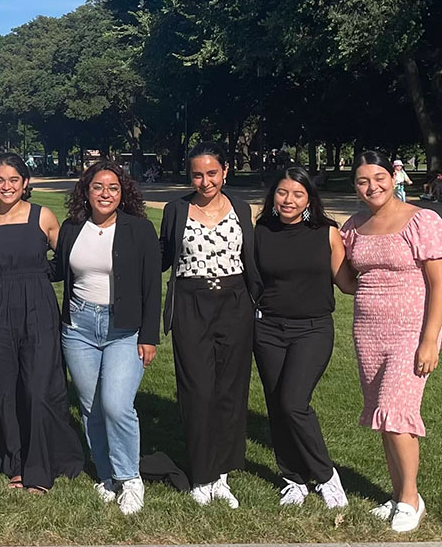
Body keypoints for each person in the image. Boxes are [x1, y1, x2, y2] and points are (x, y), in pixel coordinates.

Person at [341, 151, 442, 532]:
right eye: (363, 180)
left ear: (393, 177)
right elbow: (350, 282)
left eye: (379, 177)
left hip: (412, 330)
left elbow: (438, 283)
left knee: (396, 411)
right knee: (385, 419)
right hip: (369, 332)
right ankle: (399, 494)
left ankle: (410, 500)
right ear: (356, 186)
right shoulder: (354, 226)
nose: (373, 186)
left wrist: (430, 339)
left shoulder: (423, 220)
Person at [53, 160, 160, 515]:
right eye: (98, 187)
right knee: (91, 407)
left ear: (122, 192)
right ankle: (106, 475)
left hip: (123, 329)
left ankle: (130, 478)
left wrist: (149, 336)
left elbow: (151, 285)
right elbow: (55, 269)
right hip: (79, 327)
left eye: (113, 188)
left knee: (116, 404)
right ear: (87, 190)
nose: (105, 194)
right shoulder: (72, 228)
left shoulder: (139, 230)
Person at [159, 142, 262, 507]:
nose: (205, 182)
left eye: (212, 173)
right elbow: (162, 256)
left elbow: (253, 257)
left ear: (225, 171)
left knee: (230, 391)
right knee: (198, 390)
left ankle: (222, 474)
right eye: (197, 175)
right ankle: (201, 474)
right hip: (191, 303)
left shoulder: (241, 207)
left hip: (235, 303)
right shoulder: (176, 210)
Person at [0, 153, 83, 494]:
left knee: (37, 388)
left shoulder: (44, 217)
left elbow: (67, 260)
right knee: (5, 388)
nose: (6, 187)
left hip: (37, 305)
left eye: (13, 180)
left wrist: (40, 276)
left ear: (25, 183)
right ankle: (16, 463)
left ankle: (40, 467)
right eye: (0, 180)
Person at [254, 167, 356, 508]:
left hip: (312, 329)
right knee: (276, 405)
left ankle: (326, 477)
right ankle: (293, 479)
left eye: (298, 194)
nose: (289, 200)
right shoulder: (262, 230)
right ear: (274, 196)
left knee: (293, 402)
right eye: (283, 193)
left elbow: (347, 283)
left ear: (309, 199)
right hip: (268, 329)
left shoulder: (326, 232)